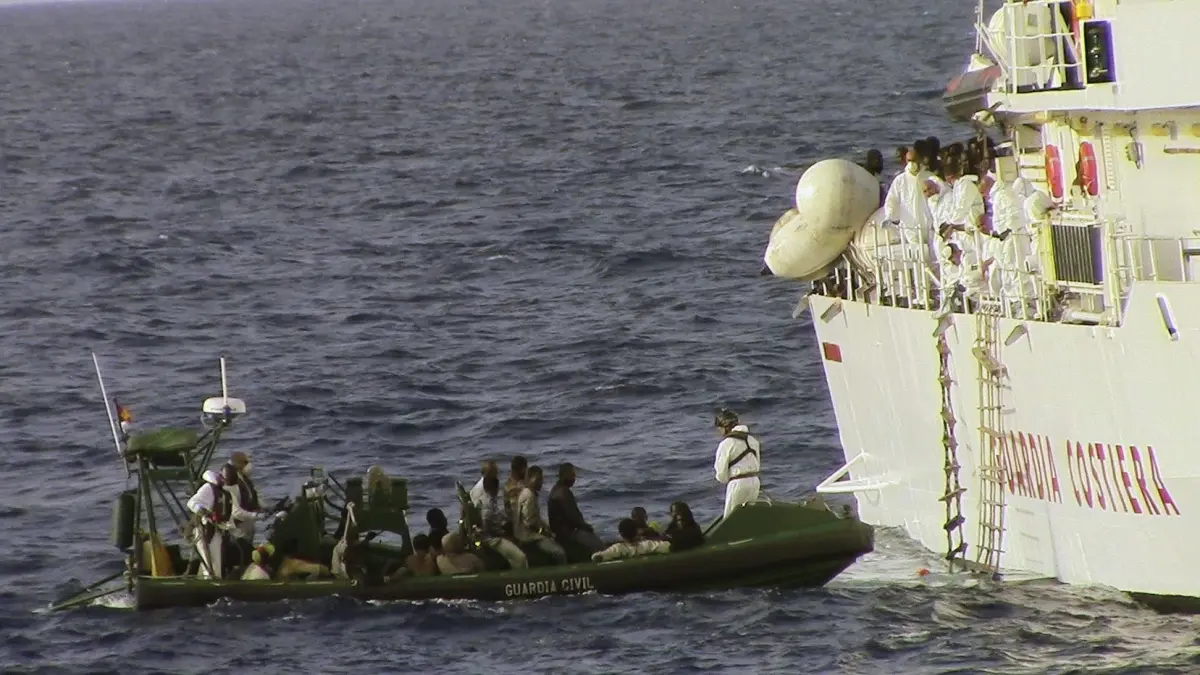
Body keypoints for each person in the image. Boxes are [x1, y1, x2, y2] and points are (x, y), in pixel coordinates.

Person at [712, 409, 762, 518]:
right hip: (755, 482)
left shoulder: (726, 443)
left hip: (738, 483)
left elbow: (721, 474)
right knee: (748, 517)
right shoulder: (753, 440)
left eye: (719, 429)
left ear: (725, 426)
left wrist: (726, 479)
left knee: (731, 519)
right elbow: (757, 463)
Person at [185, 469, 234, 579]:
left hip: (217, 531)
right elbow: (192, 503)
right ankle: (207, 582)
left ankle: (216, 582)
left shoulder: (226, 493)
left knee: (217, 565)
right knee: (207, 566)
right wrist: (205, 513)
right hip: (203, 530)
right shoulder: (209, 488)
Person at [514, 466, 568, 565]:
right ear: (532, 479)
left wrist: (546, 527)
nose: (541, 482)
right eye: (540, 479)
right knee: (560, 553)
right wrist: (543, 532)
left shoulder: (527, 493)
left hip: (526, 534)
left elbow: (534, 518)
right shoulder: (529, 496)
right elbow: (530, 523)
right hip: (529, 537)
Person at [474, 474, 529, 569]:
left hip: (493, 535)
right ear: (495, 488)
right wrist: (504, 534)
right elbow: (486, 527)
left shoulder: (487, 500)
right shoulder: (487, 505)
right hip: (492, 539)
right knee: (520, 557)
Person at [547, 463, 604, 553]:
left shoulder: (555, 489)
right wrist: (587, 527)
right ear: (566, 475)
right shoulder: (564, 493)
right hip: (567, 534)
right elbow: (574, 517)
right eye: (573, 475)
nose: (574, 478)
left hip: (559, 532)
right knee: (598, 545)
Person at [591, 519, 671, 562]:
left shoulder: (618, 548)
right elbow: (667, 547)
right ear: (636, 531)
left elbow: (597, 557)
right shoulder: (647, 544)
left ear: (621, 534)